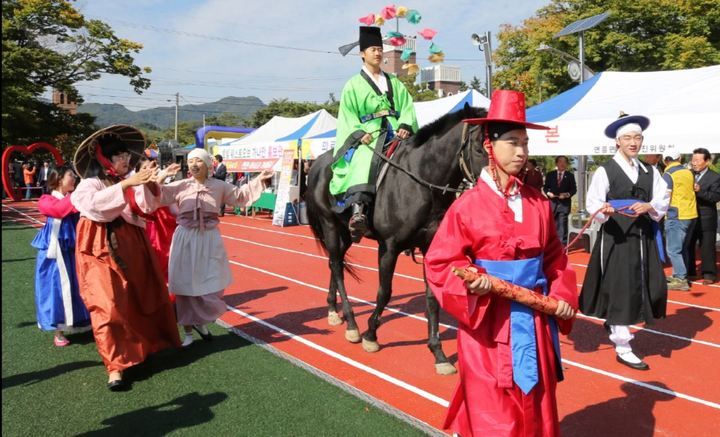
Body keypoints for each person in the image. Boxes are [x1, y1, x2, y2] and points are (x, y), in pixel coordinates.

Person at [425, 90, 578, 437]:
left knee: (537, 399)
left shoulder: (539, 203)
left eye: (525, 142)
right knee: (492, 407)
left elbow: (555, 257)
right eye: (513, 142)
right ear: (489, 145)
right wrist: (472, 281)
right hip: (488, 325)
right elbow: (440, 262)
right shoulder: (466, 205)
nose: (522, 152)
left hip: (535, 321)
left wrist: (563, 294)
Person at [71, 125, 181, 391]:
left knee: (137, 297)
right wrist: (127, 184)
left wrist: (152, 181)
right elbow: (93, 207)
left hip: (133, 243)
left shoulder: (131, 178)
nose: (125, 159)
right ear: (103, 159)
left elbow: (146, 206)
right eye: (117, 155)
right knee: (106, 305)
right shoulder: (90, 183)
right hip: (98, 245)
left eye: (125, 154)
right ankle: (115, 366)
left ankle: (141, 349)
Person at [580, 113, 670, 371]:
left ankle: (621, 325)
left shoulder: (650, 171)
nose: (633, 142)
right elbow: (592, 203)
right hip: (617, 239)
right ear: (618, 141)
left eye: (638, 137)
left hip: (643, 238)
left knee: (651, 285)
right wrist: (604, 210)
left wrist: (649, 205)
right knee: (621, 288)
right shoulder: (605, 170)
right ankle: (623, 345)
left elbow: (662, 200)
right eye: (628, 138)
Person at [156, 148, 272, 347]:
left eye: (199, 161)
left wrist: (259, 179)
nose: (194, 165)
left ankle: (201, 322)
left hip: (209, 239)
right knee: (184, 285)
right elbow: (156, 196)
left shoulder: (220, 186)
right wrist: (160, 178)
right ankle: (189, 332)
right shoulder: (180, 185)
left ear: (208, 165)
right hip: (185, 238)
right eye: (191, 161)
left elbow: (241, 196)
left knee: (208, 283)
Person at [330, 26, 418, 242]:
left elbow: (407, 105)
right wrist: (359, 133)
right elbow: (347, 115)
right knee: (364, 158)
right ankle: (358, 210)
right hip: (368, 133)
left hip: (396, 130)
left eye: (380, 49)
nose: (378, 53)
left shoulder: (395, 82)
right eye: (372, 49)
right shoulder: (353, 85)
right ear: (362, 54)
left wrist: (406, 124)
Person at [31, 166, 91, 347]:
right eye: (70, 176)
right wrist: (80, 194)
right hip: (53, 257)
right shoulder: (46, 200)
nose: (74, 179)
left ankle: (79, 321)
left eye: (74, 176)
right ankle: (58, 330)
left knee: (77, 286)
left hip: (72, 252)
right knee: (54, 290)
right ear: (58, 180)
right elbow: (58, 210)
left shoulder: (73, 199)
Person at [136, 150, 178, 286]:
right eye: (144, 168)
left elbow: (158, 192)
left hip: (164, 230)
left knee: (168, 261)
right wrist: (163, 175)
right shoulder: (136, 188)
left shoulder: (159, 187)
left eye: (151, 167)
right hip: (149, 231)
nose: (149, 171)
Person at [662, 152, 697, 291]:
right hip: (691, 213)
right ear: (680, 158)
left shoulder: (668, 174)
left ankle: (681, 279)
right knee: (682, 248)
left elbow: (666, 196)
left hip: (676, 215)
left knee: (673, 250)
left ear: (665, 161)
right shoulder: (688, 172)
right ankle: (680, 274)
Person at [687, 147, 720, 284]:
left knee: (707, 246)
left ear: (706, 161)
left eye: (697, 160)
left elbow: (715, 197)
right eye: (693, 160)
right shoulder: (687, 174)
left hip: (706, 217)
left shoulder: (715, 177)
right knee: (688, 244)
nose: (694, 163)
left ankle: (709, 274)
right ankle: (690, 272)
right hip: (689, 216)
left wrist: (700, 191)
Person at [543, 156, 577, 245]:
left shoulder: (570, 175)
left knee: (562, 226)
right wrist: (548, 193)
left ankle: (562, 246)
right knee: (551, 225)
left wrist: (567, 195)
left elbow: (573, 189)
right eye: (560, 161)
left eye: (564, 162)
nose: (562, 164)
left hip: (564, 205)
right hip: (552, 204)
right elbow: (546, 187)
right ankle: (551, 244)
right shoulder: (550, 174)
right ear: (556, 163)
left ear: (567, 164)